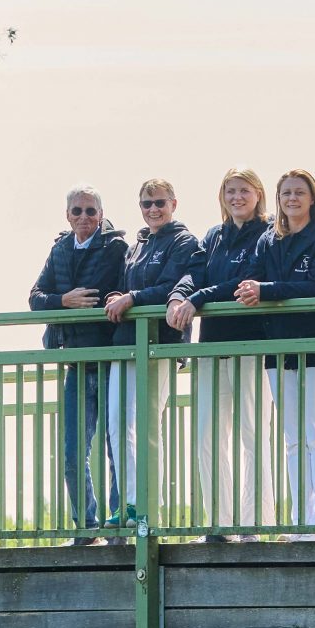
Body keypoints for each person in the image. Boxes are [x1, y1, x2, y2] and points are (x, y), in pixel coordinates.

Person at [168, 168, 273, 534]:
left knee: (252, 433)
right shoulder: (214, 235)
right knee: (208, 436)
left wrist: (196, 299)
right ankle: (218, 522)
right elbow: (194, 272)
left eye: (244, 190)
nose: (237, 197)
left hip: (251, 343)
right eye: (230, 191)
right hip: (212, 345)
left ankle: (255, 521)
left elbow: (242, 281)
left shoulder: (268, 232)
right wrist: (180, 295)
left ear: (258, 194)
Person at [251, 170, 315, 536]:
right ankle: (299, 522)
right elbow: (255, 280)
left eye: (299, 192)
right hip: (281, 349)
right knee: (294, 439)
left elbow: (314, 286)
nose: (292, 199)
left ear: (312, 198)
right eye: (285, 193)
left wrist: (266, 290)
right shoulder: (269, 239)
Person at [27, 186, 128, 532]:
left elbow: (121, 289)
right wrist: (63, 301)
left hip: (110, 360)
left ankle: (119, 522)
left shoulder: (116, 249)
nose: (83, 217)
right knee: (72, 453)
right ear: (67, 215)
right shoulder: (59, 250)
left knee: (117, 449)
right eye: (76, 211)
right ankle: (85, 524)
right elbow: (36, 298)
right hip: (75, 361)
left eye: (90, 211)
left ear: (101, 214)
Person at [103, 179, 203, 525]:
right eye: (146, 204)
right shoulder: (137, 245)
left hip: (158, 344)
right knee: (118, 425)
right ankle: (128, 503)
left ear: (174, 203)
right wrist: (116, 297)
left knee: (144, 425)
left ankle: (147, 506)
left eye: (159, 202)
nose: (153, 210)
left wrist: (132, 299)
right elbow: (125, 285)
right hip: (126, 344)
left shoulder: (184, 241)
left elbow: (171, 287)